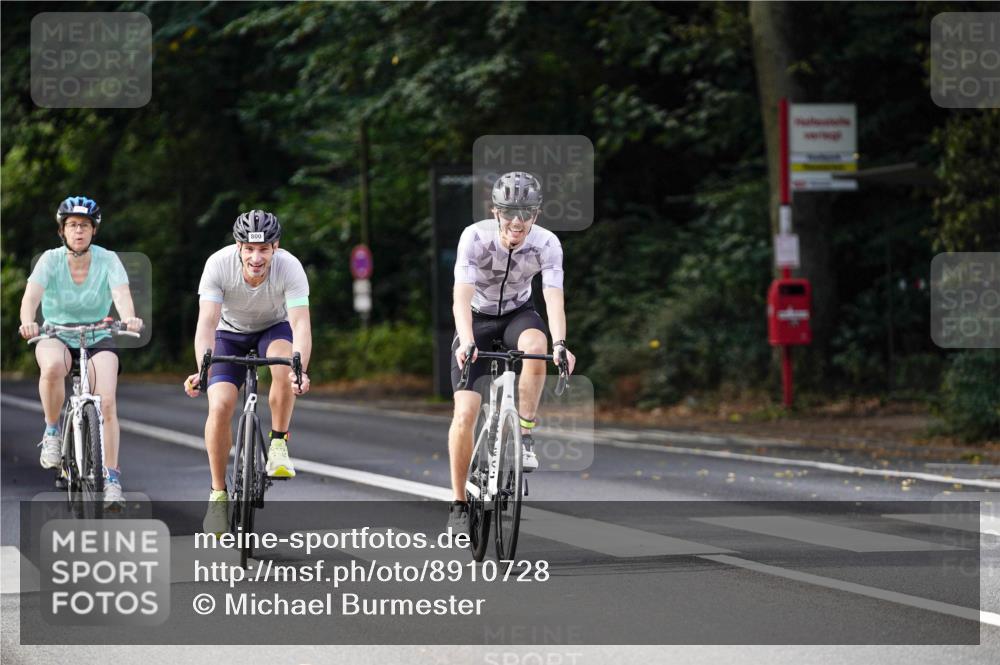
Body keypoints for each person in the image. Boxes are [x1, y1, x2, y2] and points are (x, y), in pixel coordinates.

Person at [446, 171, 576, 533]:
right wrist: (467, 340)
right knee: (465, 414)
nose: (517, 222)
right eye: (509, 212)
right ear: (495, 211)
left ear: (536, 214)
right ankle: (458, 504)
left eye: (527, 213)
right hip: (477, 320)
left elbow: (553, 298)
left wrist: (562, 344)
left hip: (519, 314)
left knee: (538, 348)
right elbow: (461, 297)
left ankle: (525, 431)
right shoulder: (474, 237)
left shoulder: (547, 243)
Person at [183, 210, 312, 534]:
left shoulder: (290, 267)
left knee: (283, 366)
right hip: (228, 334)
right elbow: (207, 323)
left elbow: (300, 324)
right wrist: (203, 366)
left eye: (264, 249)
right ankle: (218, 494)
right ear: (238, 246)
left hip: (274, 327)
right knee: (220, 405)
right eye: (250, 249)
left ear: (275, 247)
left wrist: (300, 369)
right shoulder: (217, 265)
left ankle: (279, 444)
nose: (257, 257)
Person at [17, 196, 144, 507]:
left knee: (108, 401)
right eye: (72, 225)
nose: (78, 231)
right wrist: (28, 322)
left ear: (94, 231)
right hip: (56, 333)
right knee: (52, 368)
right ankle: (51, 432)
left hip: (97, 334)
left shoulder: (108, 259)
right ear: (62, 230)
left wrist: (129, 317)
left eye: (85, 226)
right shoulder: (49, 260)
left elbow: (122, 295)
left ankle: (112, 478)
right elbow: (30, 299)